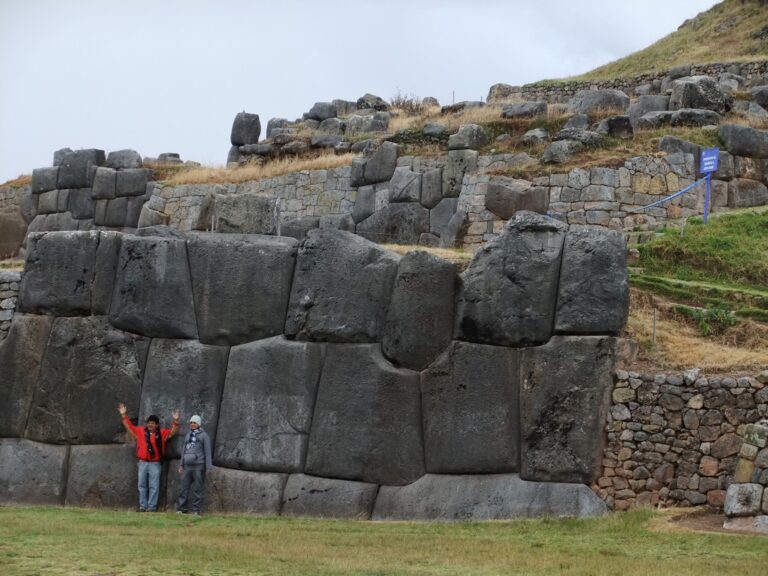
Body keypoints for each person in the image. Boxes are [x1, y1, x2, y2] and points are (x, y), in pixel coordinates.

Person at [118, 402, 179, 512]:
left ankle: (151, 507)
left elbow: (172, 432)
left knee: (154, 486)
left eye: (152, 423)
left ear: (156, 425)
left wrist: (175, 421)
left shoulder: (162, 433)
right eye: (149, 423)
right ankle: (143, 506)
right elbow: (130, 427)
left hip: (155, 463)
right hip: (142, 462)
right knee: (142, 485)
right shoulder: (141, 431)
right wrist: (123, 415)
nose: (150, 424)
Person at [176, 414, 213, 515]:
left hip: (198, 466)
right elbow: (184, 450)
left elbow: (207, 452)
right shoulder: (188, 435)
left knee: (197, 489)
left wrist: (209, 467)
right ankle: (181, 508)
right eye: (191, 422)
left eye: (194, 423)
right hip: (187, 466)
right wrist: (181, 465)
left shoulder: (204, 436)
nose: (192, 424)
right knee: (183, 488)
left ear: (199, 424)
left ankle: (196, 510)